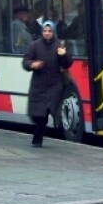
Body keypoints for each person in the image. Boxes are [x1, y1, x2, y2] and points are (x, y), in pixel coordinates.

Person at [22, 20, 72, 148]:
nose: (47, 33)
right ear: (41, 32)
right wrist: (32, 64)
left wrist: (63, 55)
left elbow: (68, 64)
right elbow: (26, 61)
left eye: (50, 31)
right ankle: (39, 135)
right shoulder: (35, 46)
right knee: (37, 115)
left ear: (53, 32)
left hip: (55, 84)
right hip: (39, 84)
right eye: (45, 31)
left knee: (49, 111)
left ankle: (38, 140)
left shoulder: (60, 45)